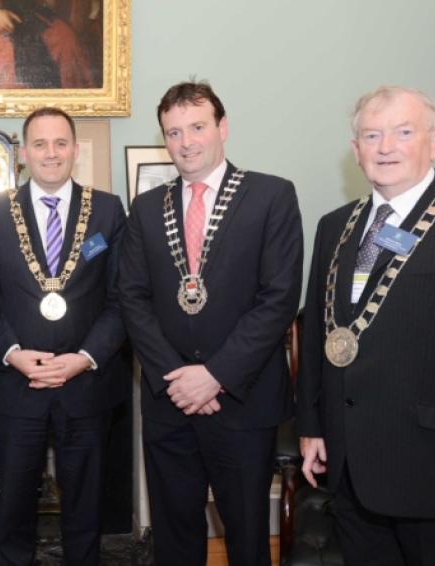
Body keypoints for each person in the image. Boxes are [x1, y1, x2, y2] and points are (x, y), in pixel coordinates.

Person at [118, 80, 303, 565]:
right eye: (173, 132)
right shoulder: (144, 208)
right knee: (174, 537)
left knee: (246, 538)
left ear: (222, 127)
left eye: (197, 127)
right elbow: (132, 298)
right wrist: (175, 379)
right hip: (169, 401)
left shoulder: (271, 196)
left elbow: (279, 299)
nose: (186, 142)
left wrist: (215, 375)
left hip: (242, 402)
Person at [297, 86, 435, 564]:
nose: (385, 147)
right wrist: (312, 426)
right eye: (372, 135)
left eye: (403, 132)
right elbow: (318, 335)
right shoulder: (336, 226)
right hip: (351, 470)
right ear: (356, 151)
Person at [0, 107, 126, 566]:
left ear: (76, 150)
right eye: (40, 144)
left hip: (87, 385)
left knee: (85, 508)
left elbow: (122, 300)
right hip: (19, 386)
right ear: (22, 153)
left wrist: (85, 357)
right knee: (14, 508)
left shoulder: (108, 209)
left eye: (61, 143)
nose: (51, 153)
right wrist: (13, 354)